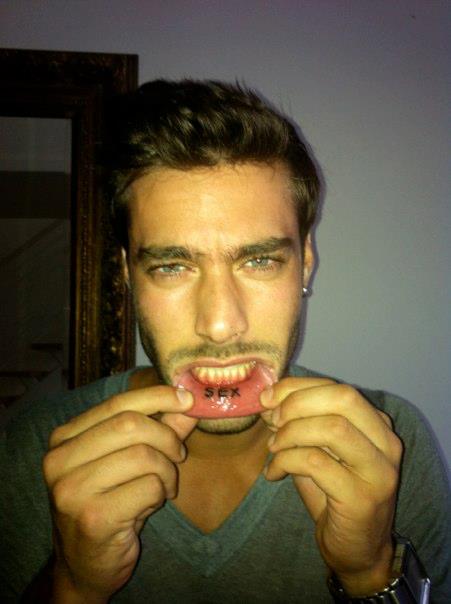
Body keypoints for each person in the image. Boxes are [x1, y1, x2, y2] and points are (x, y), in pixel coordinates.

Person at [1, 80, 450, 604]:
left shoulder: (392, 441)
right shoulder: (38, 447)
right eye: (172, 266)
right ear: (127, 273)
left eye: (259, 261)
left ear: (305, 262)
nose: (219, 325)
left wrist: (370, 572)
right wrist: (74, 587)